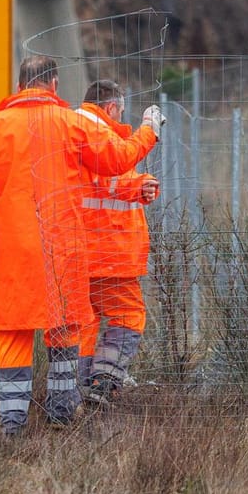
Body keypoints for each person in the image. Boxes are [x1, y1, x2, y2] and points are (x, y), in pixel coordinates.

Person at [0, 55, 164, 436]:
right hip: (63, 248)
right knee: (65, 329)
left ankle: (12, 427)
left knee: (14, 333)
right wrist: (148, 130)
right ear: (53, 86)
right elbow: (118, 159)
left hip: (11, 250)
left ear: (20, 86)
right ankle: (61, 416)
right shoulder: (70, 123)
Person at [73, 80, 160, 404]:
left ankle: (75, 389)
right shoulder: (97, 131)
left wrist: (140, 186)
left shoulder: (73, 130)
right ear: (111, 107)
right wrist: (149, 129)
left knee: (84, 320)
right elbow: (115, 165)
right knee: (128, 315)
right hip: (109, 247)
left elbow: (105, 182)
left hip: (76, 250)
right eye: (120, 110)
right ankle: (104, 380)